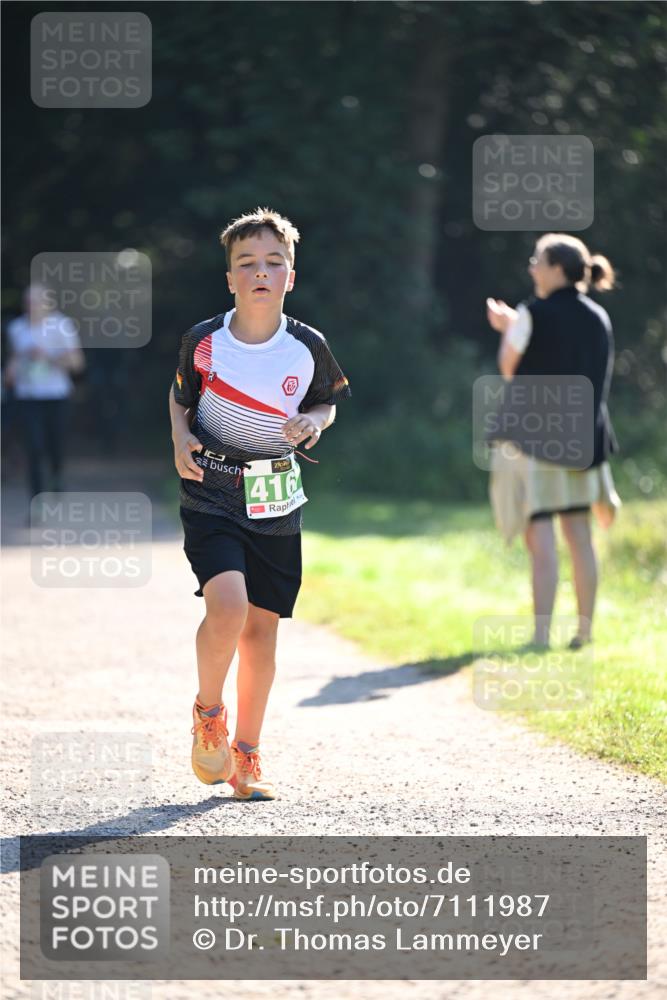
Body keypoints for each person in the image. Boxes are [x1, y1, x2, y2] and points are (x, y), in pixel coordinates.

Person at [168, 208, 350, 800]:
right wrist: (178, 437)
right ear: (230, 278)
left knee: (262, 632)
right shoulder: (203, 340)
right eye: (247, 263)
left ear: (290, 277)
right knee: (227, 606)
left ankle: (246, 757)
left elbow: (327, 402)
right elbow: (179, 399)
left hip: (276, 499)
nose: (261, 272)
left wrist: (312, 423)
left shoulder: (307, 345)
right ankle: (207, 713)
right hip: (212, 491)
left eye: (274, 262)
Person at [486, 233, 621, 649]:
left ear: (556, 270)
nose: (531, 267)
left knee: (540, 537)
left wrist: (509, 328)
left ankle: (541, 636)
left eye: (537, 260)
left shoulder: (532, 313)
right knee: (580, 537)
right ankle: (584, 631)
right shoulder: (599, 316)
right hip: (585, 442)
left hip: (536, 441)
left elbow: (510, 367)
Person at [5, 283, 85, 502]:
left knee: (55, 447)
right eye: (28, 301)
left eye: (36, 301)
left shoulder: (62, 326)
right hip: (28, 397)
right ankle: (37, 499)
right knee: (33, 447)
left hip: (57, 396)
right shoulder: (16, 328)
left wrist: (47, 357)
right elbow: (13, 363)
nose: (31, 306)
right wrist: (12, 370)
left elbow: (77, 363)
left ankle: (57, 480)